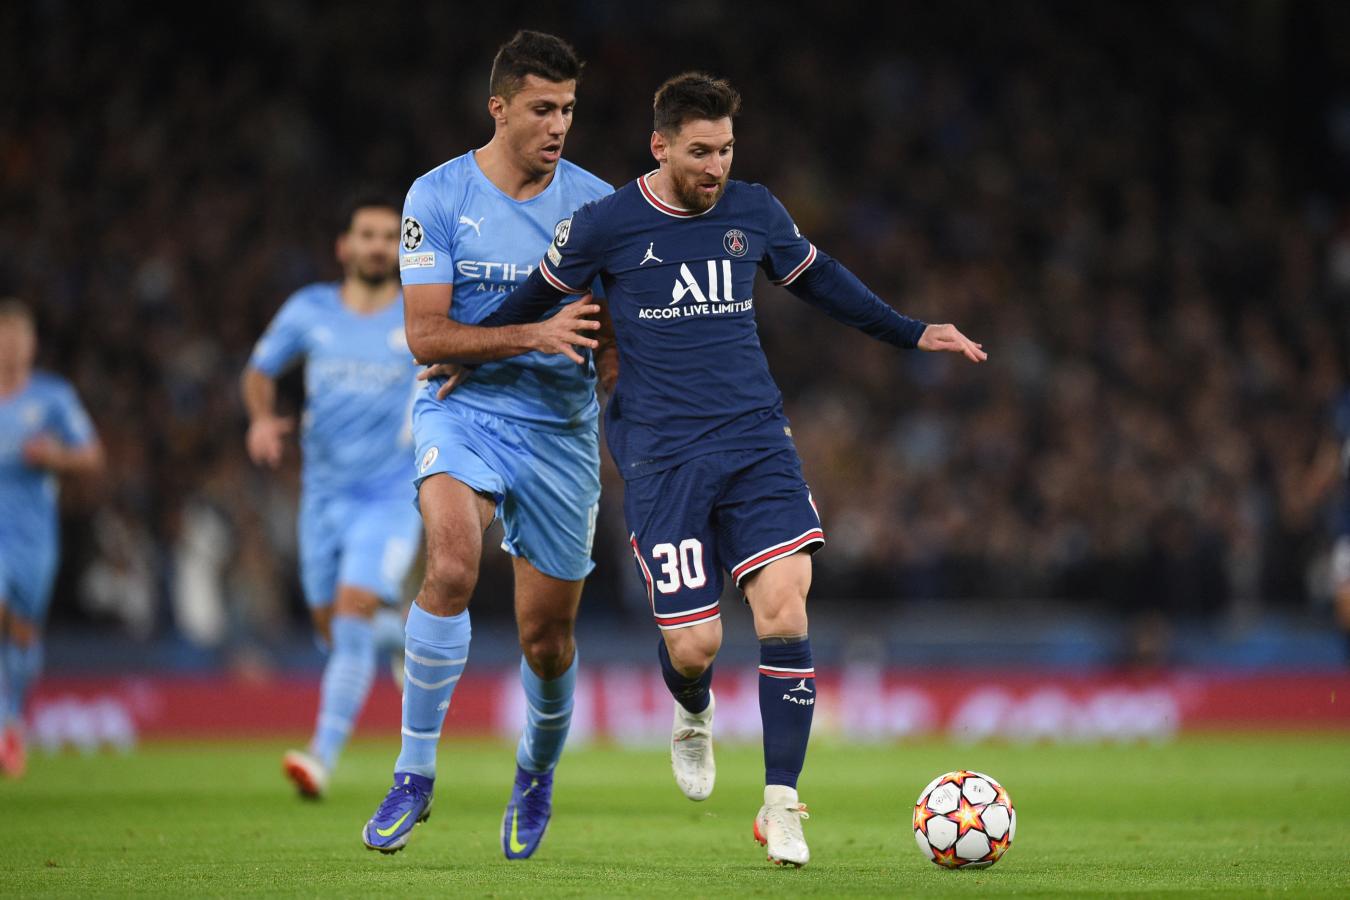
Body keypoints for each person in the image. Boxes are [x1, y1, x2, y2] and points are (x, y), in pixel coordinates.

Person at [472, 72, 987, 867]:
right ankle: (692, 709)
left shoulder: (753, 211)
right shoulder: (604, 226)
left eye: (726, 150)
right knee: (696, 647)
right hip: (661, 454)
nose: (716, 166)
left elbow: (821, 281)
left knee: (785, 609)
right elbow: (532, 299)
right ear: (662, 146)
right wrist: (460, 356)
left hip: (755, 441)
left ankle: (782, 801)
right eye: (701, 152)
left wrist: (912, 332)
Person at [359, 31, 612, 859]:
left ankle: (535, 771)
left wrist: (617, 370)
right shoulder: (435, 197)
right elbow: (426, 335)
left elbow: (617, 334)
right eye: (542, 108)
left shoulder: (599, 205)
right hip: (460, 414)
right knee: (453, 565)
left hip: (561, 432)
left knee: (547, 640)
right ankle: (413, 772)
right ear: (498, 107)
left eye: (568, 109)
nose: (558, 125)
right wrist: (533, 334)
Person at [242, 195, 421, 798]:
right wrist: (262, 419)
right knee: (330, 626)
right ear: (344, 247)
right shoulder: (309, 309)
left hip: (390, 498)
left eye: (388, 236)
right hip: (322, 499)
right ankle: (395, 633)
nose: (377, 245)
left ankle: (319, 757)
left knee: (347, 618)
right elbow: (260, 370)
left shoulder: (418, 316)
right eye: (366, 234)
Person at [0, 299, 103, 778]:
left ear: (32, 344)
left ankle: (12, 724)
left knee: (22, 634)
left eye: (19, 336)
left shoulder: (52, 397)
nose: (11, 345)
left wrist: (54, 456)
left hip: (34, 538)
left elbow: (91, 456)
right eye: (4, 336)